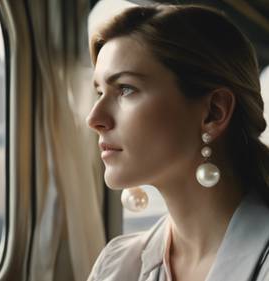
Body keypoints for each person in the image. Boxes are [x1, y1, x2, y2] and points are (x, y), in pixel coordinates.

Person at [85, 4, 269, 281]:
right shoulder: (117, 266)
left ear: (214, 112)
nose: (94, 118)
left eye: (125, 89)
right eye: (100, 91)